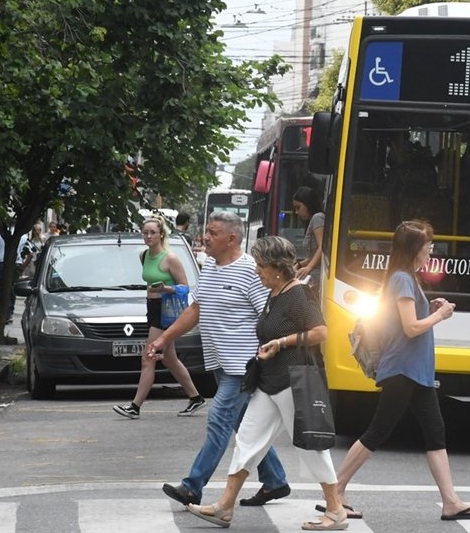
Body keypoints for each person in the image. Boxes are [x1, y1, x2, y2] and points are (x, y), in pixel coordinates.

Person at [329, 219, 470, 522]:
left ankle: (450, 501)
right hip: (403, 369)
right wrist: (439, 315)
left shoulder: (407, 279)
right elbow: (411, 328)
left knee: (435, 433)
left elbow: (409, 321)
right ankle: (335, 491)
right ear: (414, 248)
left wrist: (430, 309)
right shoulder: (402, 279)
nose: (431, 249)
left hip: (416, 371)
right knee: (378, 431)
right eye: (427, 244)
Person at [185, 236, 346, 530]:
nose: (257, 270)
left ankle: (335, 510)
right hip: (269, 382)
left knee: (310, 447)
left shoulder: (297, 294)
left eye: (260, 265)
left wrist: (281, 342)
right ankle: (224, 507)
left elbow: (321, 332)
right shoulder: (275, 291)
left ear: (276, 267)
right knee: (247, 440)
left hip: (291, 381)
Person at [150, 211, 291, 508]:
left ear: (231, 238)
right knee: (243, 425)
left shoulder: (251, 271)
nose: (205, 237)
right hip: (220, 362)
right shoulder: (212, 266)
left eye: (212, 233)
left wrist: (268, 352)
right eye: (206, 232)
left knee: (218, 422)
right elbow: (196, 309)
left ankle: (192, 486)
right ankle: (275, 480)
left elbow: (271, 316)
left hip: (243, 367)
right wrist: (164, 338)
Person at [112, 216, 206, 419]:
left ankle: (135, 406)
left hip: (166, 311)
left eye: (152, 232)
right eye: (145, 233)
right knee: (170, 359)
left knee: (148, 357)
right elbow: (149, 281)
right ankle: (195, 397)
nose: (148, 236)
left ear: (161, 234)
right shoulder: (144, 256)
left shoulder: (170, 258)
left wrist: (166, 288)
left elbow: (185, 287)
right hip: (152, 308)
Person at [292, 187, 325, 294]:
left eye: (298, 207)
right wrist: (300, 265)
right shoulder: (313, 220)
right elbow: (313, 255)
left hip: (318, 277)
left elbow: (322, 246)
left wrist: (308, 268)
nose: (296, 212)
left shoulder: (318, 218)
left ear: (308, 204)